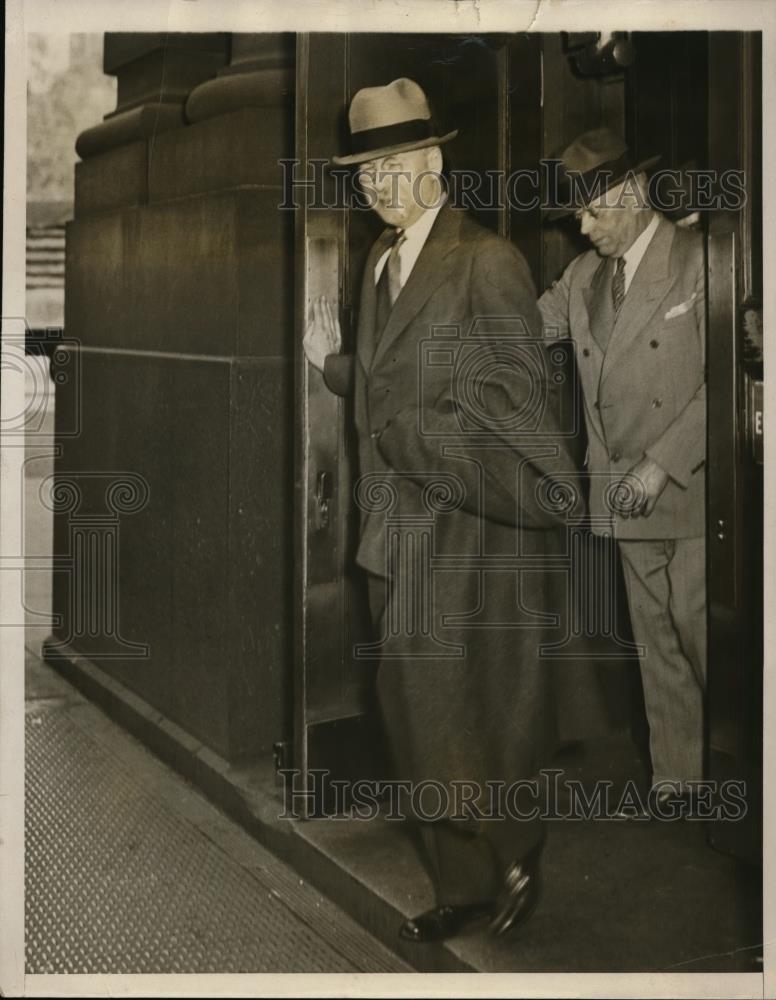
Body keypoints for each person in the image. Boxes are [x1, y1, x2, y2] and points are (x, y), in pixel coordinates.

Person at [304, 79, 609, 943]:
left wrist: (423, 446)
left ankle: (511, 848)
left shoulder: (487, 261)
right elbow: (389, 376)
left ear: (433, 162)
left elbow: (520, 413)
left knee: (472, 700)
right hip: (395, 527)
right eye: (364, 172)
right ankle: (467, 880)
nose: (374, 185)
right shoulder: (380, 261)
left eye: (390, 165)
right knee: (411, 702)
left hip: (472, 527)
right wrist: (335, 371)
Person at [539, 128, 707, 803]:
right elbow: (520, 325)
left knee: (705, 640)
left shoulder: (699, 259)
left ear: (634, 193)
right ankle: (680, 781)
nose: (584, 228)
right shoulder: (582, 279)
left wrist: (662, 465)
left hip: (688, 486)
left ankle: (753, 783)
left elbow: (724, 384)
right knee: (656, 645)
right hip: (620, 492)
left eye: (593, 210)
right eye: (577, 214)